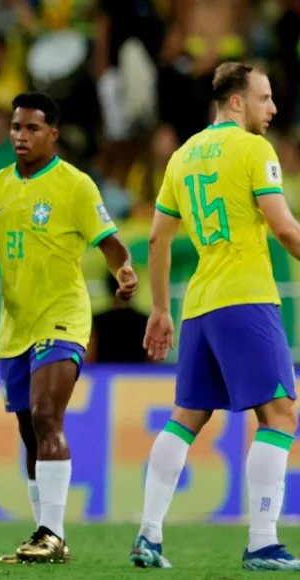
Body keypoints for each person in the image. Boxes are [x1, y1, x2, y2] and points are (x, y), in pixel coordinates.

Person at [0, 91, 137, 564]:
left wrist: (124, 272)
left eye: (32, 128)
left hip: (63, 317)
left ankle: (52, 533)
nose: (21, 136)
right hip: (15, 325)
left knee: (45, 415)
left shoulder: (76, 186)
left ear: (52, 134)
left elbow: (112, 245)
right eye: (17, 127)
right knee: (29, 430)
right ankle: (46, 537)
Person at [133, 62, 300, 571]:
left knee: (186, 417)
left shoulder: (181, 157)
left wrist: (159, 308)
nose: (272, 108)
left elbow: (157, 240)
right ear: (236, 101)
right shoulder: (253, 149)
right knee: (280, 415)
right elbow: (285, 228)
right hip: (245, 297)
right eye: (264, 98)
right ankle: (263, 543)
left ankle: (148, 535)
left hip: (199, 306)